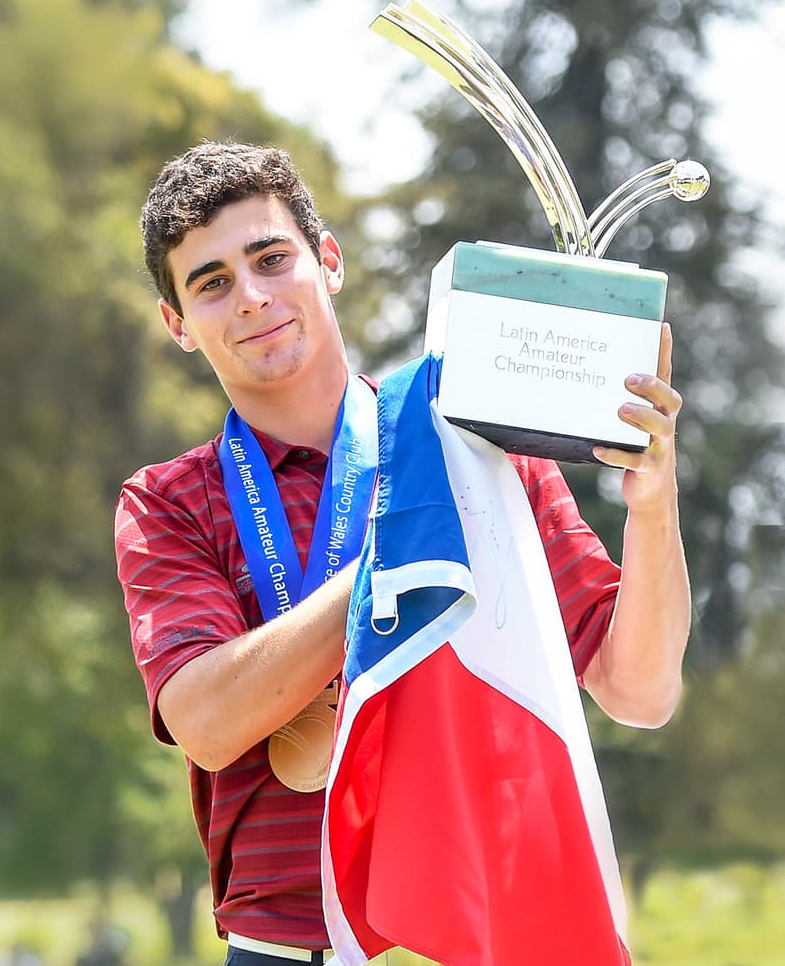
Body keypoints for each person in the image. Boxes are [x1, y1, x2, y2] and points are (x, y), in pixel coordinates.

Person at [114, 141, 691, 965]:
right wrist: (408, 548)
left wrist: (654, 504)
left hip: (475, 934)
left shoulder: (472, 444)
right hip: (286, 949)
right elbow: (207, 722)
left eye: (271, 259)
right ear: (179, 324)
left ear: (330, 263)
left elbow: (639, 689)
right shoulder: (169, 501)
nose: (250, 296)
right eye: (211, 283)